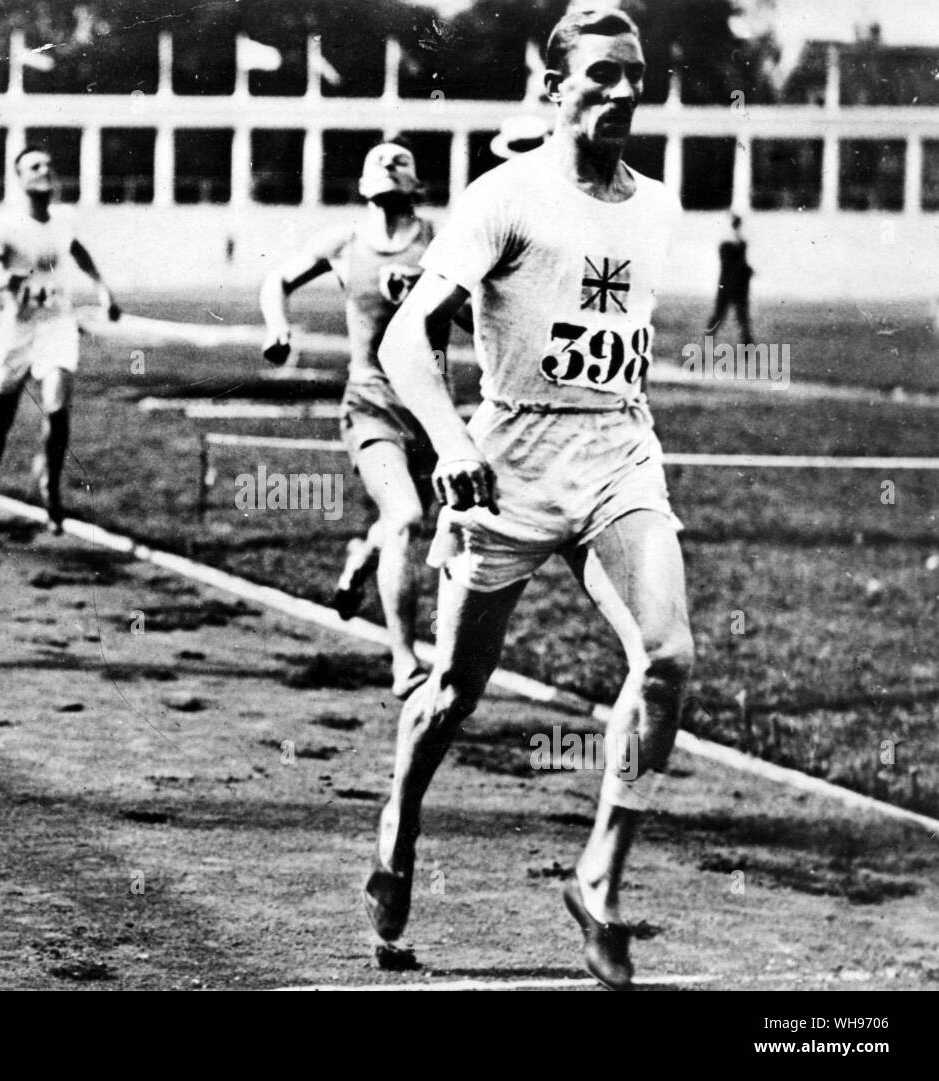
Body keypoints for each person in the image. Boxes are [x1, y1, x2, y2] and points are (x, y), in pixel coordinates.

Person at [363, 7, 695, 989]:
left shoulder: (656, 207)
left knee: (667, 657)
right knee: (452, 695)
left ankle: (596, 879)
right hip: (506, 465)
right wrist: (453, 442)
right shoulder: (503, 199)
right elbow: (402, 339)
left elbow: (607, 332)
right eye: (599, 76)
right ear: (553, 89)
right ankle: (399, 817)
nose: (622, 92)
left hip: (616, 457)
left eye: (634, 76)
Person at [260, 139, 468, 700]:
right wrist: (279, 328)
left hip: (430, 410)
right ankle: (404, 658)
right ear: (362, 182)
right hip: (369, 403)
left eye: (401, 159)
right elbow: (276, 280)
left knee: (401, 522)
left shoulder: (438, 242)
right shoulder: (344, 241)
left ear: (416, 183)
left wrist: (428, 294)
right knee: (404, 518)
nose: (388, 164)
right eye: (378, 159)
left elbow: (475, 317)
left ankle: (359, 560)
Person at [0, 147, 120, 549]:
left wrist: (102, 289)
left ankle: (50, 485)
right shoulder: (6, 228)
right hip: (18, 331)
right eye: (35, 166)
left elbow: (79, 252)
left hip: (57, 326)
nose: (45, 170)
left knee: (56, 408)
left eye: (49, 164)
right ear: (20, 179)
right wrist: (5, 280)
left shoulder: (64, 220)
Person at [705, 212, 754, 343]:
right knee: (723, 315)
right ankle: (708, 341)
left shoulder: (738, 241)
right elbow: (730, 264)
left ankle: (747, 344)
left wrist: (747, 270)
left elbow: (740, 262)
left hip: (736, 284)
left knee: (740, 316)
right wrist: (745, 270)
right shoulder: (729, 242)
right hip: (729, 284)